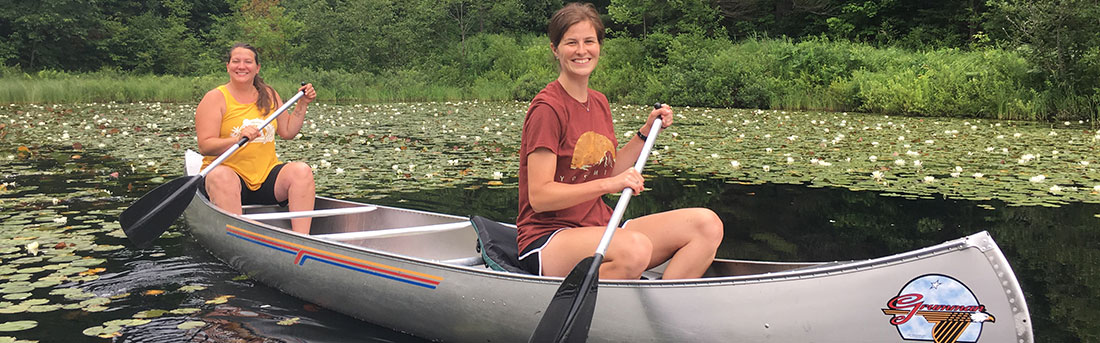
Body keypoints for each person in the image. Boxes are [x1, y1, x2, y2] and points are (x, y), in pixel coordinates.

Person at [516, 3, 724, 280]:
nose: (581, 51)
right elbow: (540, 198)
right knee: (636, 249)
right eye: (571, 43)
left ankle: (661, 310)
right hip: (548, 239)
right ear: (555, 49)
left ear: (599, 46)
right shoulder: (547, 108)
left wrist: (645, 133)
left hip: (599, 226)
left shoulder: (599, 102)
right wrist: (610, 185)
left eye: (589, 41)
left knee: (706, 225)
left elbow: (608, 170)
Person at [195, 43, 317, 234]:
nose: (241, 66)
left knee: (302, 171)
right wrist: (236, 139)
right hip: (229, 179)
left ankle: (302, 240)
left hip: (265, 177)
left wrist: (302, 104)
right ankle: (238, 238)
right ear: (228, 66)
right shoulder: (215, 98)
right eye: (236, 61)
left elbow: (287, 131)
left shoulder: (268, 94)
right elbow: (205, 146)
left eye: (248, 62)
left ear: (257, 68)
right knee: (222, 176)